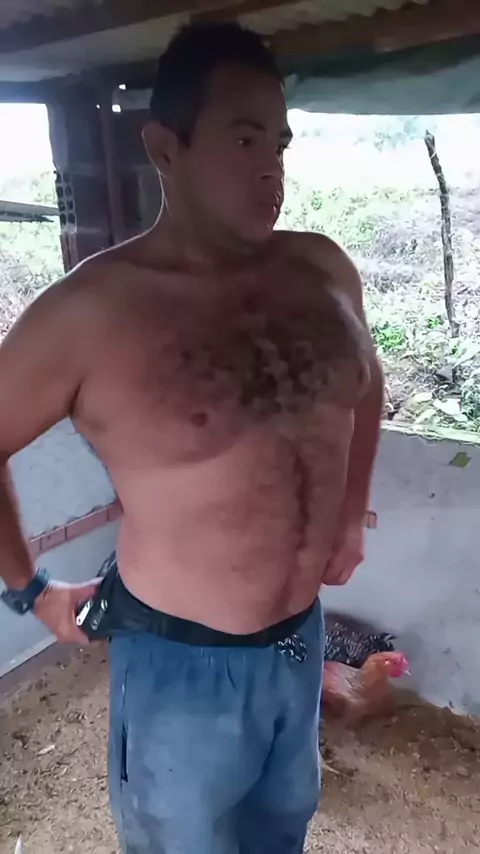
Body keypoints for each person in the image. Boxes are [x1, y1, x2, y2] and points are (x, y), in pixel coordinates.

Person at [0, 22, 383, 854]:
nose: (271, 167)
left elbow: (367, 376)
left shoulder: (322, 270)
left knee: (282, 831)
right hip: (180, 667)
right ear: (163, 149)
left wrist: (352, 510)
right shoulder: (93, 312)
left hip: (299, 642)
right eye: (244, 139)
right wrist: (28, 589)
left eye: (279, 142)